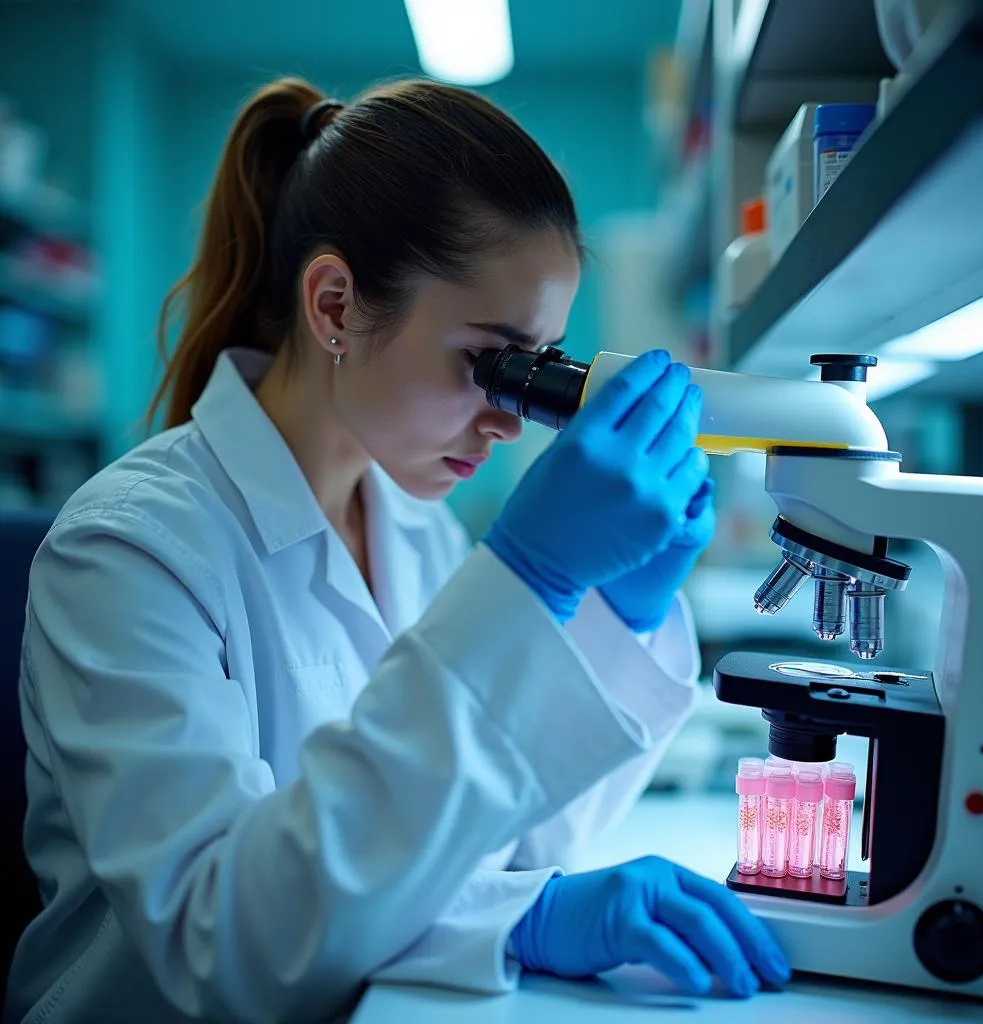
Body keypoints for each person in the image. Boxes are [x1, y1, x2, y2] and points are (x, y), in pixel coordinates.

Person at [4, 78, 790, 1024]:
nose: (511, 419)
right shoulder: (129, 549)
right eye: (489, 360)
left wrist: (619, 619)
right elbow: (226, 940)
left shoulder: (415, 529)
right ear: (334, 305)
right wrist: (524, 581)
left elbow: (491, 838)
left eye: (536, 367)